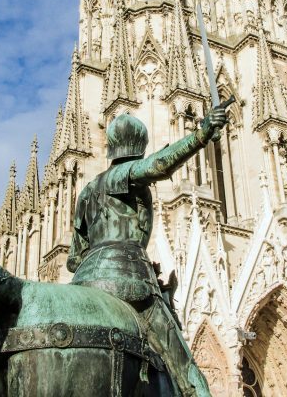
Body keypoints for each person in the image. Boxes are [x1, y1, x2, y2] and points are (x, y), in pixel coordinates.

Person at [67, 105, 229, 396]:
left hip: (83, 283)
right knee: (187, 369)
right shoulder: (122, 175)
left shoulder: (88, 191)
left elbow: (73, 258)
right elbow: (160, 165)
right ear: (137, 147)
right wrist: (202, 134)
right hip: (128, 282)